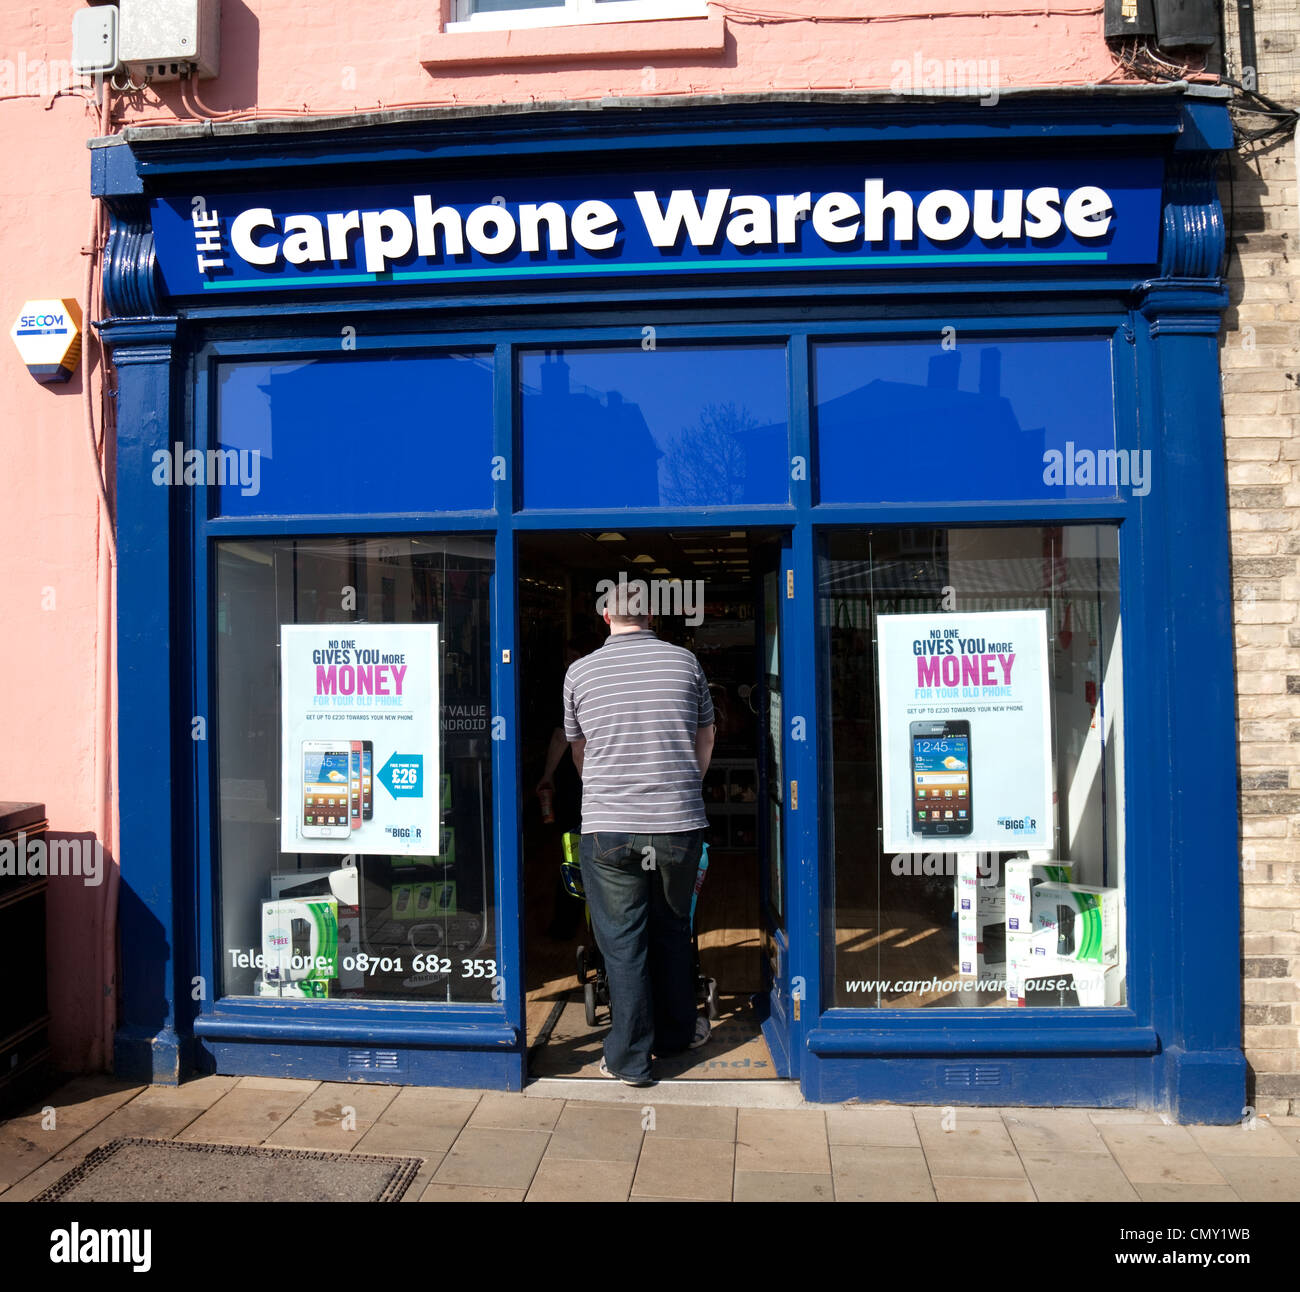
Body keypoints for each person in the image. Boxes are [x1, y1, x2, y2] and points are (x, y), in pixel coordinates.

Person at [562, 588, 716, 1086]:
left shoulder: (579, 672)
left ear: (605, 615)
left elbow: (578, 747)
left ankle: (628, 1059)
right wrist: (685, 785)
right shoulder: (686, 662)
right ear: (651, 614)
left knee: (622, 943)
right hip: (676, 823)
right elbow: (707, 734)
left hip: (609, 828)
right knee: (672, 929)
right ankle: (676, 1035)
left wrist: (606, 791)